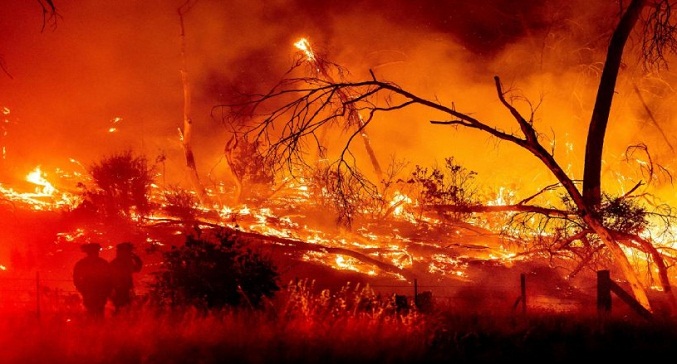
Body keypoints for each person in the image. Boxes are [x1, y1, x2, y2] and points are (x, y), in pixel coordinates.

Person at [73, 242, 113, 320]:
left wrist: (81, 288)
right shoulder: (102, 263)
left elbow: (109, 278)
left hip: (97, 291)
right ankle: (95, 328)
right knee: (94, 311)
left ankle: (93, 328)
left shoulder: (82, 263)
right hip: (91, 291)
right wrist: (81, 288)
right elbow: (76, 278)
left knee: (94, 312)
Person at [109, 242, 143, 313]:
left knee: (125, 309)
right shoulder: (117, 263)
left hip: (125, 289)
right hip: (119, 290)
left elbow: (137, 269)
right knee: (122, 308)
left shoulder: (124, 263)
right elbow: (137, 269)